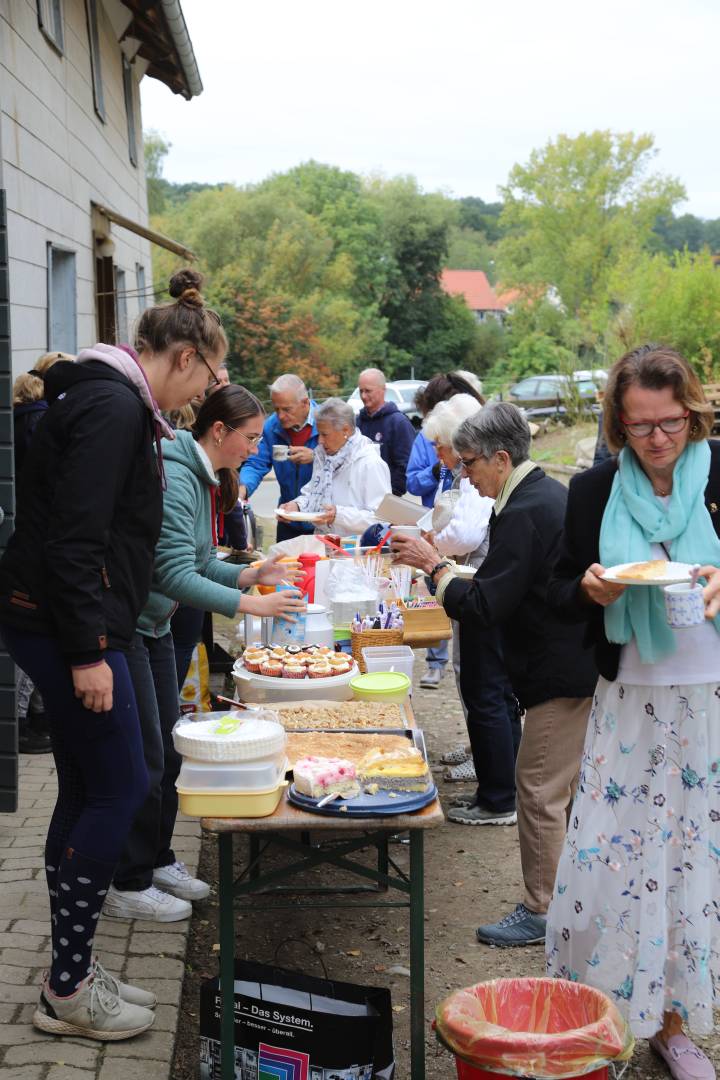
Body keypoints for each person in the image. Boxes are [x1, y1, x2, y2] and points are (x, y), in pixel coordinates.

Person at [0, 267, 228, 1040]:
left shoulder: (110, 398)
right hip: (74, 629)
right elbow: (75, 540)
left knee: (91, 784)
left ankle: (69, 973)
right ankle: (67, 989)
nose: (198, 399)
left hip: (77, 623)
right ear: (185, 358)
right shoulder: (114, 406)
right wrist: (89, 651)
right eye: (205, 380)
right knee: (122, 784)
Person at [545, 344, 720, 1078]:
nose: (657, 440)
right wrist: (588, 589)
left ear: (693, 414)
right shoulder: (590, 492)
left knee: (694, 862)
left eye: (672, 423)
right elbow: (555, 591)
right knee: (618, 856)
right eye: (641, 426)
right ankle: (616, 1009)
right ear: (619, 422)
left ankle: (677, 1024)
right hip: (629, 701)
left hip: (709, 698)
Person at [391, 403, 597, 942]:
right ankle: (568, 902)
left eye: (469, 463)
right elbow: (509, 582)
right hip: (565, 666)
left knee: (537, 790)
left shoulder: (526, 508)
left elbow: (486, 606)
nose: (463, 473)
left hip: (560, 672)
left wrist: (435, 568)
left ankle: (543, 911)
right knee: (558, 792)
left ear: (500, 459)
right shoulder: (538, 494)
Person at [106, 384, 304, 922]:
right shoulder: (178, 476)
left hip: (154, 625)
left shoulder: (199, 475)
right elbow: (170, 573)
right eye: (249, 437)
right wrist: (250, 605)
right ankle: (127, 879)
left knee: (170, 749)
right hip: (133, 627)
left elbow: (195, 560)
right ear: (219, 432)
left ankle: (157, 857)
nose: (252, 448)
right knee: (147, 757)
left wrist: (248, 573)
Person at [11, 351, 75, 754]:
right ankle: (21, 724)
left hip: (31, 545)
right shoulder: (40, 422)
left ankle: (34, 719)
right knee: (31, 646)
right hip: (34, 550)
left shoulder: (30, 418)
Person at [406, 371, 485, 689]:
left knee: (476, 672)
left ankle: (486, 741)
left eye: (440, 446)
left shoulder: (473, 474)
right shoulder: (464, 471)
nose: (437, 453)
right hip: (467, 573)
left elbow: (467, 534)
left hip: (474, 578)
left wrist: (434, 545)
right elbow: (413, 480)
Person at [278, 398, 391, 536]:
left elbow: (382, 520)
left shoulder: (370, 464)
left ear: (346, 430)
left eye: (324, 434)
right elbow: (312, 493)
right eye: (319, 434)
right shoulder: (324, 456)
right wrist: (296, 506)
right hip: (324, 544)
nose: (320, 440)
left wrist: (339, 515)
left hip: (356, 550)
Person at [239, 373, 319, 542]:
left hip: (320, 522)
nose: (280, 416)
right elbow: (256, 464)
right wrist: (242, 488)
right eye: (276, 409)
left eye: (286, 409)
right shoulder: (272, 426)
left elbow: (346, 462)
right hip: (288, 519)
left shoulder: (326, 422)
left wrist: (316, 457)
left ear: (305, 403)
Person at [357, 368, 416, 496]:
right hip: (359, 497)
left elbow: (405, 466)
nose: (363, 396)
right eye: (360, 391)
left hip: (386, 498)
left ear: (383, 390)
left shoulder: (398, 423)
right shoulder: (358, 422)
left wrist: (390, 495)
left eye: (368, 391)